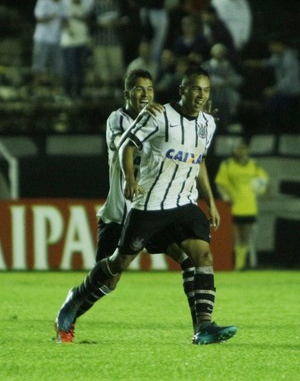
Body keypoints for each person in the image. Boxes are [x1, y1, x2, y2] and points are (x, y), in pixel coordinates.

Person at [55, 66, 237, 345]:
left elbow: (193, 155)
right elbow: (125, 144)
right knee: (111, 277)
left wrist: (193, 129)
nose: (145, 94)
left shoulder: (165, 119)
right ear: (127, 92)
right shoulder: (119, 119)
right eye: (139, 89)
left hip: (165, 205)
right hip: (122, 210)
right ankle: (71, 307)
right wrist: (150, 123)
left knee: (193, 257)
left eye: (150, 89)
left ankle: (203, 326)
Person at [215, 138, 269, 270]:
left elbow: (264, 182)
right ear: (234, 150)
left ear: (248, 150)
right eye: (238, 148)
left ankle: (240, 264)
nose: (241, 151)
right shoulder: (227, 165)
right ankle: (230, 263)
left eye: (243, 148)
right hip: (232, 207)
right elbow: (220, 183)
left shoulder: (254, 166)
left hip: (250, 206)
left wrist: (263, 191)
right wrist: (225, 195)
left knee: (245, 236)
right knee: (234, 236)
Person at [244, 33, 300, 135]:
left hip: (293, 93)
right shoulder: (279, 56)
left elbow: (289, 80)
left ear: (279, 45)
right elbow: (270, 62)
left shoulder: (290, 59)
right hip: (284, 92)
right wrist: (256, 63)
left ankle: (277, 133)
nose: (270, 49)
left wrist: (275, 89)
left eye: (272, 46)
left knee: (273, 105)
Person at [202, 43, 243, 131]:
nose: (219, 54)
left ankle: (231, 117)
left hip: (225, 90)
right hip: (211, 91)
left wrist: (226, 82)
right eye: (217, 52)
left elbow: (235, 78)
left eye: (221, 52)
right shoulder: (207, 66)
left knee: (233, 96)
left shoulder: (228, 65)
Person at [60, 0, 93, 100]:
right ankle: (67, 93)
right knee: (69, 69)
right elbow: (63, 20)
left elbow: (88, 19)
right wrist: (68, 29)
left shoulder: (85, 5)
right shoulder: (65, 4)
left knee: (80, 69)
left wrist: (77, 17)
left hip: (82, 41)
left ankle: (78, 93)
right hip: (69, 42)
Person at [31, 0, 64, 96]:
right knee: (38, 66)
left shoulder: (64, 2)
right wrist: (52, 17)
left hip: (58, 40)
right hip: (42, 39)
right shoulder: (43, 1)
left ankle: (56, 92)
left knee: (58, 68)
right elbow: (38, 19)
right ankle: (36, 91)